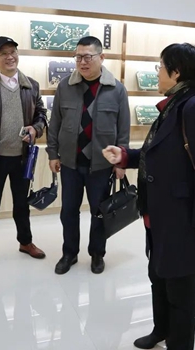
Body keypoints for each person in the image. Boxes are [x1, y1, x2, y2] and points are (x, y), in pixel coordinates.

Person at [102, 43, 195, 350]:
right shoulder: (175, 104)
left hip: (181, 218)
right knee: (158, 275)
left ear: (176, 72)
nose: (157, 73)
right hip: (159, 213)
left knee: (179, 290)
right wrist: (125, 156)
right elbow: (159, 154)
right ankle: (162, 330)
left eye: (161, 67)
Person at [46, 36, 130, 275]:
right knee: (68, 212)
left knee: (99, 212)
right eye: (78, 57)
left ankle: (97, 254)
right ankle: (69, 253)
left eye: (88, 57)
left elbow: (123, 129)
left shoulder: (117, 89)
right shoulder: (65, 86)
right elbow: (55, 123)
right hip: (70, 163)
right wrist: (52, 153)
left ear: (101, 57)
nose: (82, 62)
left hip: (101, 165)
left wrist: (121, 161)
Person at [0, 36, 48, 271]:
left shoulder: (31, 85)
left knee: (22, 205)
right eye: (3, 53)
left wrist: (36, 129)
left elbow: (41, 115)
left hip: (22, 158)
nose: (9, 57)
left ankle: (25, 242)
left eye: (13, 51)